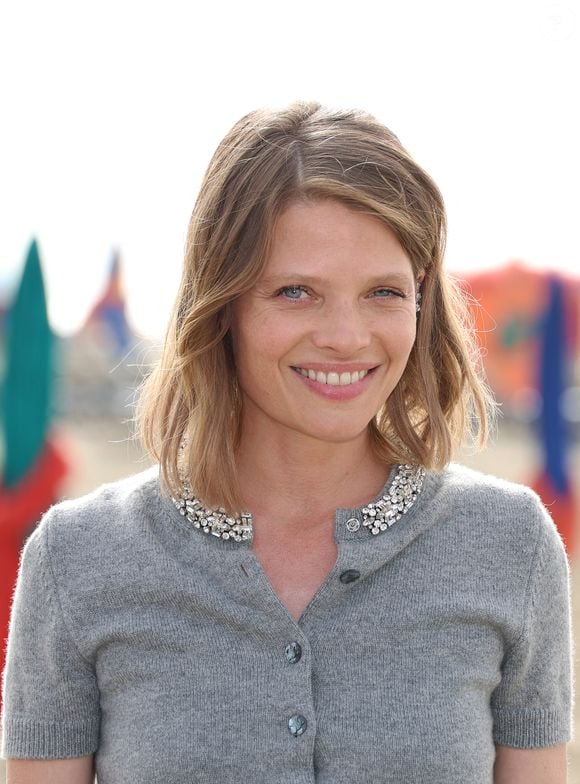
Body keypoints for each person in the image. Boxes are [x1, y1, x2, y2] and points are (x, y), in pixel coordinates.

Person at [1, 102, 571, 784]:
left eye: (383, 292)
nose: (347, 336)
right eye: (297, 291)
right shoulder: (78, 560)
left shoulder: (510, 545)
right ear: (223, 306)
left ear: (421, 303)